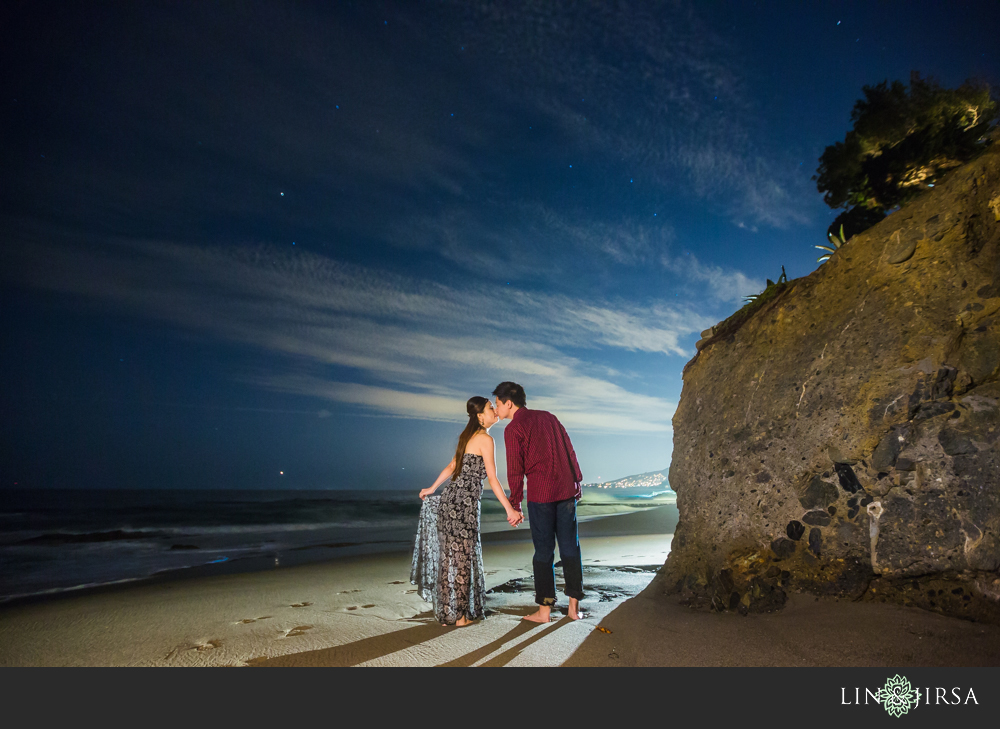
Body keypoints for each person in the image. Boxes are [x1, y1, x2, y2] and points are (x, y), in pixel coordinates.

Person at [418, 396, 522, 626]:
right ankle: (461, 617)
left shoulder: (467, 437)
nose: (495, 411)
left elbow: (452, 466)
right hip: (464, 505)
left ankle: (447, 615)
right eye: (490, 408)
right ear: (480, 416)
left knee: (449, 561)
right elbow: (493, 480)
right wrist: (510, 509)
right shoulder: (485, 439)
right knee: (463, 560)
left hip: (449, 501)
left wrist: (433, 488)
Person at [492, 381, 584, 623]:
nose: (496, 408)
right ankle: (573, 609)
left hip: (541, 495)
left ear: (509, 403)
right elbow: (569, 448)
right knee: (570, 548)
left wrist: (515, 503)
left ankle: (545, 612)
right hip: (565, 490)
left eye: (498, 404)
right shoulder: (549, 417)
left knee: (544, 551)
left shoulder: (513, 429)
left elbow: (515, 470)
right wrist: (577, 480)